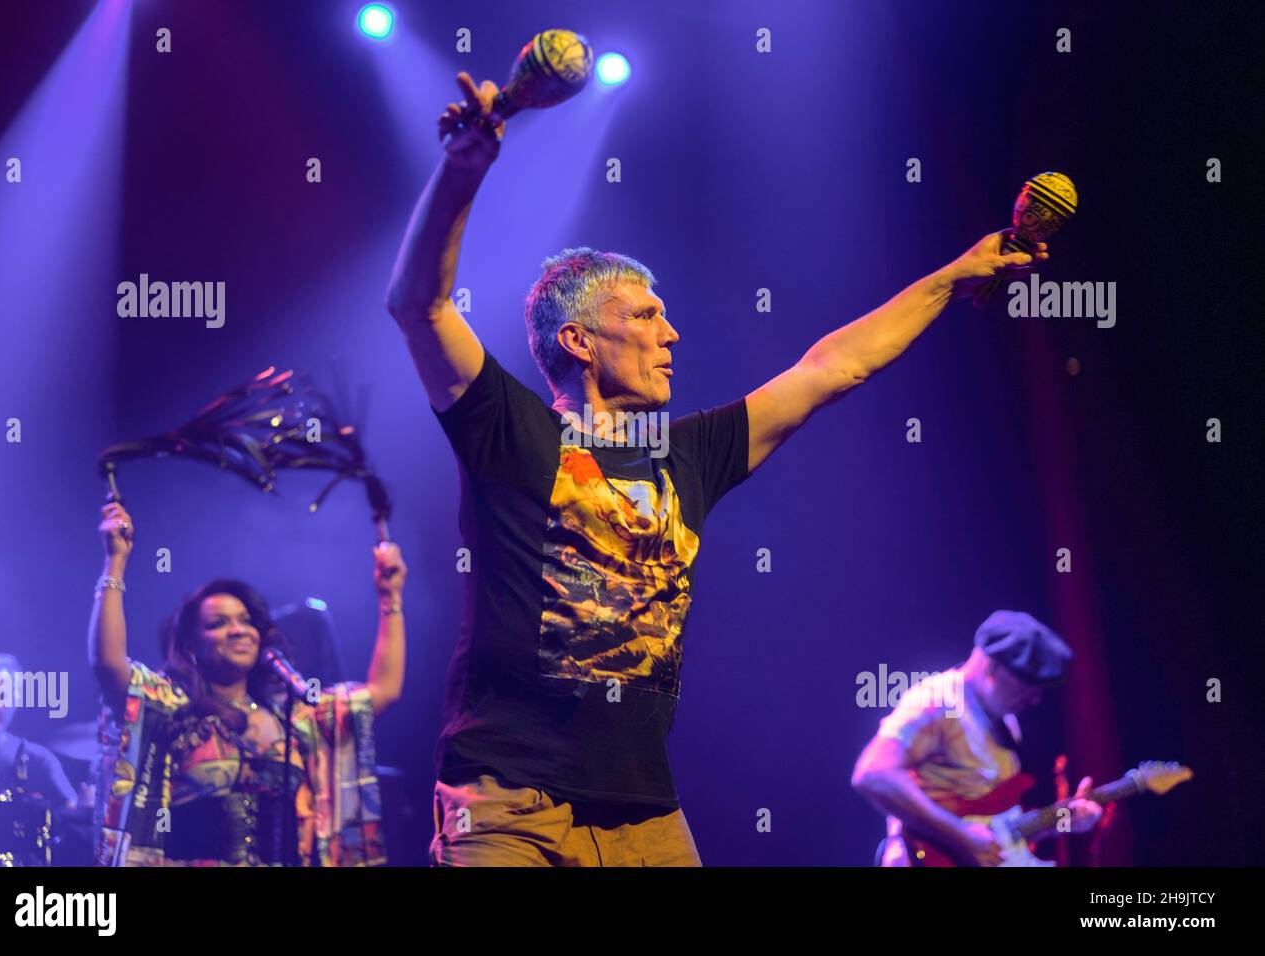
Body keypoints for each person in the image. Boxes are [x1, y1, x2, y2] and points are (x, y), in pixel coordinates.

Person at [385, 70, 1050, 867]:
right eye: (644, 316)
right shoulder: (508, 429)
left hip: (645, 814)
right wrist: (463, 169)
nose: (671, 335)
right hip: (510, 805)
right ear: (578, 341)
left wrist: (953, 275)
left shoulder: (689, 453)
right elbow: (418, 304)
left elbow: (832, 368)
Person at [87, 501, 406, 866]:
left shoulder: (294, 719)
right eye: (218, 623)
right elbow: (108, 665)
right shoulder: (169, 708)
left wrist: (389, 597)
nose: (238, 630)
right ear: (191, 645)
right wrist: (115, 560)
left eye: (246, 620)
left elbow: (384, 691)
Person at [851, 610, 1103, 866]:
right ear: (992, 665)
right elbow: (874, 773)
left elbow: (996, 825)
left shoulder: (1004, 721)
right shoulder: (938, 702)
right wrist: (961, 835)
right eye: (1027, 683)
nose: (1035, 698)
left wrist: (1059, 821)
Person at [0, 653, 78, 809]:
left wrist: (85, 811)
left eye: (1, 695)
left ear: (16, 700)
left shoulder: (38, 760)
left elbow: (71, 814)